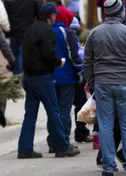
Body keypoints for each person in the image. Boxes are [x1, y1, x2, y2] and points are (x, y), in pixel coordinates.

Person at [84, 0, 126, 176]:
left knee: (105, 126)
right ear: (121, 12)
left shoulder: (94, 33)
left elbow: (88, 62)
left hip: (102, 84)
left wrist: (92, 84)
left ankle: (108, 167)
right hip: (125, 84)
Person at [17, 2, 80, 159]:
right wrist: (59, 62)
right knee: (54, 112)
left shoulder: (30, 29)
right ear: (52, 16)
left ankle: (25, 148)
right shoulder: (48, 31)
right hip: (43, 77)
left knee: (30, 114)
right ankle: (62, 147)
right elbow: (49, 54)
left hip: (29, 76)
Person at [49, 14, 83, 151]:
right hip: (67, 76)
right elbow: (73, 55)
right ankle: (63, 142)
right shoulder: (66, 33)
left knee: (53, 111)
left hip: (50, 76)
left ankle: (52, 141)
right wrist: (80, 72)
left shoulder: (47, 30)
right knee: (65, 110)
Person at [5, 0, 41, 75]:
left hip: (13, 30)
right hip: (28, 30)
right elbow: (39, 15)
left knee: (14, 53)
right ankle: (20, 75)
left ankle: (16, 75)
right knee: (23, 53)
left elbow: (5, 15)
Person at [70, 18, 93, 144]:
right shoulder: (71, 38)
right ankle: (81, 132)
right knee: (80, 104)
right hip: (75, 77)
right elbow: (78, 57)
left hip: (68, 77)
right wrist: (83, 51)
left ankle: (80, 132)